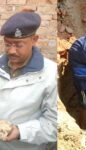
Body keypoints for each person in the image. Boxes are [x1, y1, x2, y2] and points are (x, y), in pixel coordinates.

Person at [0, 10, 57, 150]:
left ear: (34, 40)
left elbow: (55, 125)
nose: (11, 51)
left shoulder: (50, 74)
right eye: (7, 44)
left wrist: (20, 131)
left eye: (18, 45)